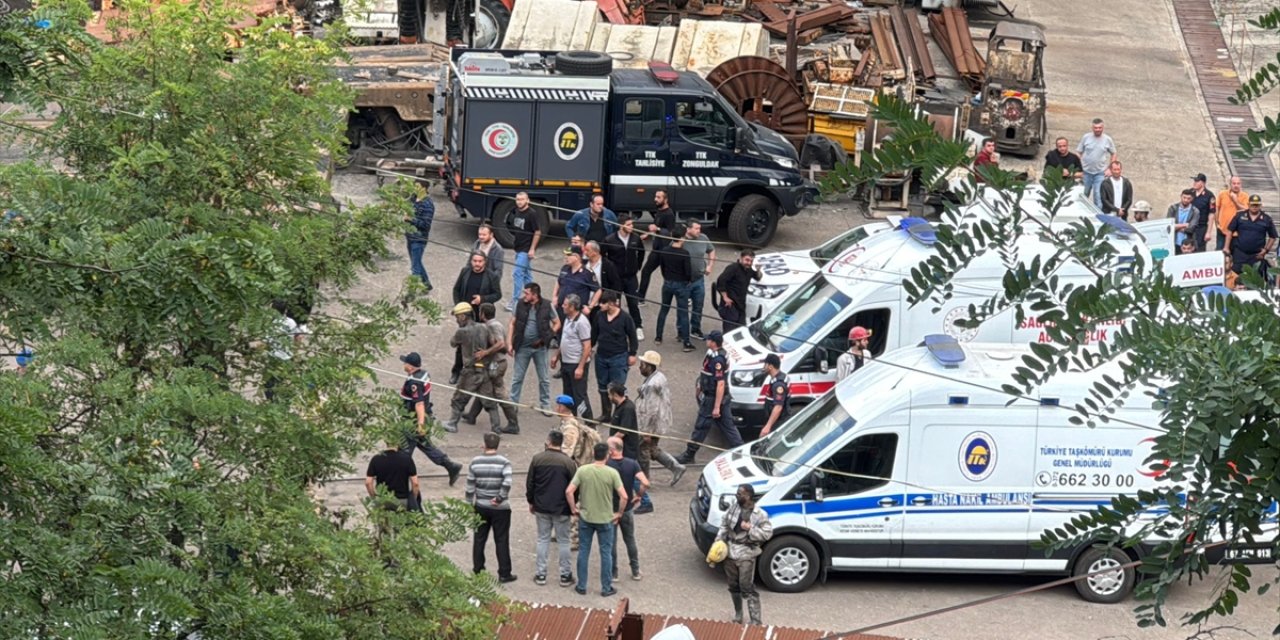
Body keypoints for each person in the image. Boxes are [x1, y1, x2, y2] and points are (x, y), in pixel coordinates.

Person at [566, 442, 627, 597]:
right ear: (607, 455)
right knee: (605, 553)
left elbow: (569, 491)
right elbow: (624, 496)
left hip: (586, 518)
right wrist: (619, 513)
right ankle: (606, 587)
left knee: (584, 551)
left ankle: (581, 586)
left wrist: (574, 509)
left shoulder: (583, 470)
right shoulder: (612, 473)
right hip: (605, 519)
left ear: (593, 453)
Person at [677, 330, 744, 464]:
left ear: (714, 343)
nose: (706, 341)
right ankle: (741, 451)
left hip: (713, 398)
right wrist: (700, 387)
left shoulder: (718, 359)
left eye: (709, 340)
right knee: (727, 425)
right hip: (715, 396)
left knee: (701, 425)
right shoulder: (713, 354)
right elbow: (706, 374)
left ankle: (689, 454)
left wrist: (716, 407)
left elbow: (720, 384)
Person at [397, 351, 462, 485]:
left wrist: (419, 424)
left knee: (404, 451)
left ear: (410, 366)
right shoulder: (424, 374)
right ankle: (450, 466)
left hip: (413, 420)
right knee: (425, 445)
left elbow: (419, 403)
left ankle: (399, 480)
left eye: (405, 363)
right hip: (424, 416)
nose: (403, 365)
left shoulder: (414, 383)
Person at [527, 430, 577, 587]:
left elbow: (530, 483)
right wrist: (572, 505)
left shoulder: (537, 459)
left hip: (541, 506)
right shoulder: (568, 462)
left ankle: (541, 574)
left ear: (548, 441)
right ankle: (565, 575)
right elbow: (575, 486)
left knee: (542, 539)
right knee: (564, 541)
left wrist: (531, 501)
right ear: (561, 443)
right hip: (562, 507)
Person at [717, 484, 773, 626]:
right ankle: (738, 614)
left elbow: (767, 533)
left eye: (739, 494)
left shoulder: (759, 514)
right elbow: (724, 524)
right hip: (730, 551)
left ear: (748, 496)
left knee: (746, 586)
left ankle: (755, 620)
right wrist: (718, 541)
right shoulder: (733, 507)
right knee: (733, 585)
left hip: (747, 553)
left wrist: (751, 529)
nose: (737, 496)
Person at [634, 350, 686, 501]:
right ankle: (675, 467)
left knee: (642, 451)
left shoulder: (652, 385)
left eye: (642, 365)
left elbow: (651, 410)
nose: (640, 367)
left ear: (650, 367)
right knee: (651, 449)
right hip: (658, 422)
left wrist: (646, 431)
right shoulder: (658, 377)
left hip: (650, 425)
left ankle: (645, 480)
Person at [461, 303, 520, 434]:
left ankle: (513, 423)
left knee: (499, 394)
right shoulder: (491, 325)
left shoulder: (493, 326)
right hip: (494, 363)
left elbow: (500, 344)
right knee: (484, 388)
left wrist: (485, 352)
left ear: (483, 314)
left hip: (497, 364)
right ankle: (472, 415)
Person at [465, 432, 516, 583]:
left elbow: (470, 486)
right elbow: (507, 482)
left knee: (479, 538)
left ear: (484, 444)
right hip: (500, 508)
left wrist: (469, 504)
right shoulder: (504, 462)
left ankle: (478, 569)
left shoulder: (475, 462)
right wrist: (499, 498)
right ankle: (504, 573)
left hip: (481, 505)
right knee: (501, 539)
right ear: (498, 445)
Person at [445, 302, 501, 433]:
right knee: (490, 402)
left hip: (470, 372)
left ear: (464, 317)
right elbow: (495, 343)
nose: (457, 320)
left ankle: (452, 423)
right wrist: (486, 352)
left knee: (459, 398)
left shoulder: (461, 332)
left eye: (458, 317)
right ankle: (496, 428)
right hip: (484, 370)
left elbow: (453, 343)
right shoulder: (484, 327)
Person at [450, 252, 503, 384]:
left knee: (480, 345)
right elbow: (456, 289)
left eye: (480, 261)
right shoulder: (465, 271)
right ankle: (456, 371)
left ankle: (478, 372)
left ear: (485, 262)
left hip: (480, 316)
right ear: (471, 261)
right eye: (475, 261)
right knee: (461, 344)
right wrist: (459, 307)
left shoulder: (492, 276)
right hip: (466, 317)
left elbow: (498, 294)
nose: (477, 264)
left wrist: (483, 299)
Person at [508, 282, 557, 414]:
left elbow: (557, 322)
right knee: (517, 378)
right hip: (522, 347)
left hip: (540, 348)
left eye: (527, 293)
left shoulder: (547, 305)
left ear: (535, 295)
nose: (524, 295)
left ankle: (545, 404)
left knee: (544, 378)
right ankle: (512, 404)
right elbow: (512, 323)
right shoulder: (519, 304)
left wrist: (547, 337)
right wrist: (509, 343)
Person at [592, 292, 639, 423]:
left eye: (603, 303)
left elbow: (632, 336)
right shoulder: (599, 315)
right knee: (602, 387)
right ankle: (606, 414)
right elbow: (594, 333)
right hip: (601, 356)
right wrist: (589, 347)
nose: (600, 305)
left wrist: (632, 354)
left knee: (617, 388)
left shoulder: (625, 318)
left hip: (618, 357)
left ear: (611, 304)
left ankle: (619, 417)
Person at [605, 435, 648, 583]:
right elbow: (645, 482)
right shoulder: (632, 464)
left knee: (611, 542)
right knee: (630, 539)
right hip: (628, 508)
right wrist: (639, 495)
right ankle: (635, 570)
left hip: (611, 509)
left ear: (611, 450)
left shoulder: (606, 465)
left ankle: (613, 573)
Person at [603, 213, 646, 341]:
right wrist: (609, 272)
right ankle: (615, 328)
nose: (631, 227)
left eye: (631, 224)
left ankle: (638, 327)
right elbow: (603, 256)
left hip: (631, 277)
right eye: (628, 225)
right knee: (615, 303)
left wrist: (636, 267)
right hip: (615, 278)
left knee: (633, 303)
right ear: (620, 226)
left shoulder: (635, 238)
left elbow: (641, 253)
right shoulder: (609, 240)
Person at [653, 224, 695, 352]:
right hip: (681, 284)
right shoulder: (684, 253)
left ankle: (658, 336)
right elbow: (688, 272)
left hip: (668, 283)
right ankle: (686, 342)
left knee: (663, 309)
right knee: (683, 313)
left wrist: (667, 277)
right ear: (682, 238)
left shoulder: (665, 250)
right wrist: (688, 281)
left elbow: (663, 268)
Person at [553, 294, 594, 419]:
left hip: (576, 364)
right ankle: (571, 421)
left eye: (565, 305)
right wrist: (556, 356)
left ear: (572, 307)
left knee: (580, 396)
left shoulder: (582, 322)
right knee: (568, 395)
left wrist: (580, 367)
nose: (562, 306)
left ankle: (589, 424)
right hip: (566, 363)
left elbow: (587, 346)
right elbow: (565, 340)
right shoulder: (567, 318)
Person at [1225, 194, 1277, 282]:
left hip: (1256, 255)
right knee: (1236, 276)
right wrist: (1226, 247)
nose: (1254, 207)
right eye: (1253, 204)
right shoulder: (1239, 216)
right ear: (1248, 204)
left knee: (1256, 278)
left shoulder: (1266, 219)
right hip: (1240, 253)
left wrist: (1266, 250)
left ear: (1260, 205)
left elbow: (1273, 236)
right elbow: (1230, 231)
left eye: (1257, 205)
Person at [505, 192, 543, 313]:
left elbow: (537, 232)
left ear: (528, 200)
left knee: (517, 274)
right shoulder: (516, 211)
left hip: (525, 250)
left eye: (522, 199)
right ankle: (534, 298)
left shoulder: (532, 214)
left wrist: (532, 249)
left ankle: (515, 301)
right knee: (527, 276)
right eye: (517, 199)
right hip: (518, 247)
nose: (519, 202)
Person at [637, 190, 677, 300]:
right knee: (646, 271)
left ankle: (685, 296)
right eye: (655, 196)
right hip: (657, 249)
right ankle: (640, 297)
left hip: (664, 250)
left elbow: (671, 233)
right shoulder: (659, 211)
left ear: (665, 199)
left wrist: (657, 228)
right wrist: (648, 234)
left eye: (658, 197)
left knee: (670, 276)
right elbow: (656, 227)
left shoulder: (669, 214)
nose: (655, 199)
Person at [365, 437, 420, 511]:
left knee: (383, 522)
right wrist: (413, 499)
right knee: (400, 522)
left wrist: (374, 497)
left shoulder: (376, 459)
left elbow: (368, 482)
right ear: (398, 442)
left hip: (382, 499)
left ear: (385, 441)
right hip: (402, 500)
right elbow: (415, 483)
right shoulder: (407, 459)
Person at [714, 249, 762, 332]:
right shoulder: (733, 268)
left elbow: (758, 277)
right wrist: (725, 297)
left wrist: (758, 269)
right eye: (747, 260)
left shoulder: (749, 270)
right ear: (741, 258)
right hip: (730, 304)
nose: (749, 263)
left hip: (741, 305)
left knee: (741, 329)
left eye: (751, 261)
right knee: (729, 330)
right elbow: (721, 281)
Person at [683, 222, 715, 340]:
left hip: (698, 280)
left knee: (698, 306)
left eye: (699, 228)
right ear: (688, 229)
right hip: (684, 281)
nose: (699, 231)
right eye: (696, 228)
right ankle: (682, 331)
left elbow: (711, 250)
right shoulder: (680, 240)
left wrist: (710, 266)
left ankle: (695, 329)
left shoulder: (703, 238)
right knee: (682, 308)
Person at [1077, 118, 1117, 209]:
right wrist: (1079, 166)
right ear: (1092, 128)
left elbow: (1114, 153)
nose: (1097, 130)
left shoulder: (1108, 139)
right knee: (1083, 195)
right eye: (1095, 128)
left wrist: (1110, 168)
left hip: (1100, 173)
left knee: (1098, 197)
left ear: (1103, 128)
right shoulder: (1086, 137)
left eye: (1100, 128)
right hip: (1086, 173)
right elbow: (1078, 152)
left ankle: (1098, 219)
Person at [553, 246, 598, 321]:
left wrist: (590, 307)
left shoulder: (587, 273)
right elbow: (558, 282)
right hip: (561, 308)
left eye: (568, 255)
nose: (565, 257)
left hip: (577, 312)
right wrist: (554, 296)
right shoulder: (565, 268)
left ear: (577, 257)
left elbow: (598, 290)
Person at [405, 185, 434, 290]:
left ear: (423, 188)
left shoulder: (428, 205)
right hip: (409, 236)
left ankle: (411, 292)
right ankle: (427, 284)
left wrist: (410, 219)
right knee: (416, 262)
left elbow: (426, 225)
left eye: (416, 186)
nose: (414, 188)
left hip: (419, 239)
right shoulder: (413, 199)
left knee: (415, 268)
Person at [583, 240, 622, 316]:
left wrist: (615, 300)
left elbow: (616, 284)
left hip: (601, 304)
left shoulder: (608, 265)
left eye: (587, 250)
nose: (585, 252)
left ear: (595, 252)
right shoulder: (583, 264)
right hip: (585, 303)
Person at [757, 354, 790, 438]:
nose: (764, 367)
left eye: (765, 364)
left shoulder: (778, 384)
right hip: (775, 420)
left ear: (770, 367)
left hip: (778, 422)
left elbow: (778, 407)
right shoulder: (779, 377)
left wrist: (768, 427)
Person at [1213, 176, 1249, 250]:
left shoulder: (1245, 196)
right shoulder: (1222, 194)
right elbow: (1217, 208)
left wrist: (1236, 201)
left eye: (1238, 183)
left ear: (1241, 184)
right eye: (1234, 183)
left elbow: (1247, 210)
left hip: (1237, 233)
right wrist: (1217, 224)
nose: (1236, 185)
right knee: (1220, 252)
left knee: (1235, 254)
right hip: (1222, 230)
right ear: (1230, 184)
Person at [606, 382, 640, 461]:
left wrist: (609, 443)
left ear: (615, 395)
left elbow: (622, 432)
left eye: (609, 395)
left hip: (627, 452)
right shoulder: (619, 405)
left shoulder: (627, 408)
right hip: (620, 449)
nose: (608, 397)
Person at [1189, 173, 1217, 252]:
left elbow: (1211, 214)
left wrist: (1208, 232)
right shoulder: (1190, 192)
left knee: (1199, 249)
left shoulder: (1209, 196)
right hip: (1189, 225)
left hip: (1201, 227)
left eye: (1197, 181)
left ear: (1203, 183)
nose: (1194, 182)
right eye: (1194, 180)